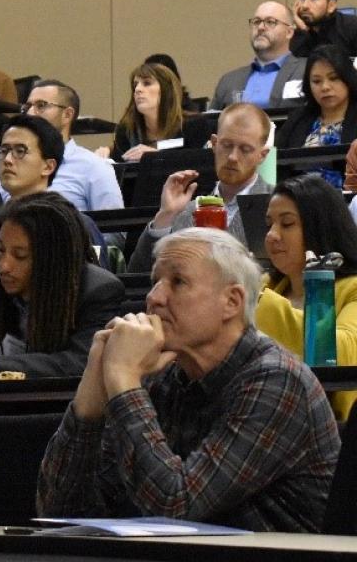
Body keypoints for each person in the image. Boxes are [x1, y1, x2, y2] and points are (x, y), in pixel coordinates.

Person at [37, 227, 340, 532]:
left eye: (178, 282)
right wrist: (91, 393)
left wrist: (124, 379)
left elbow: (176, 508)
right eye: (155, 281)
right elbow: (60, 512)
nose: (154, 297)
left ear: (232, 302)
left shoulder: (277, 380)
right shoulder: (162, 374)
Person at [0, 192, 124, 379]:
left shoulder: (98, 291)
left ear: (52, 258)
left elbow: (79, 362)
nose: (4, 266)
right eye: (1, 250)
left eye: (20, 255)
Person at [255, 174, 357, 418]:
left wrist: (256, 301)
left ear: (320, 228)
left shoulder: (352, 288)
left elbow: (340, 352)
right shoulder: (265, 286)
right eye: (269, 224)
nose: (271, 235)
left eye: (287, 224)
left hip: (329, 425)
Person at [0, 114, 109, 278]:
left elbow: (99, 291)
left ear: (48, 166)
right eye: (4, 150)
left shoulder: (78, 226)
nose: (8, 159)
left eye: (20, 151)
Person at [128, 103, 273, 272]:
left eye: (245, 149)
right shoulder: (183, 210)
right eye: (226, 145)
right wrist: (165, 216)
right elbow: (139, 274)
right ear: (213, 143)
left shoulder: (275, 206)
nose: (233, 157)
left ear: (262, 156)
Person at [21, 79, 123, 212]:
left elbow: (113, 230)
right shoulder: (14, 162)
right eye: (28, 107)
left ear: (67, 115)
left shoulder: (94, 167)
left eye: (41, 105)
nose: (30, 113)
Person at [275, 44, 357, 188]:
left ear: (347, 79)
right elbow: (276, 164)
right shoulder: (297, 118)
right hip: (299, 202)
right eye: (317, 81)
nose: (325, 87)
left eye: (333, 78)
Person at [98, 63, 211, 162]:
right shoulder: (127, 131)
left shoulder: (194, 125)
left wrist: (156, 157)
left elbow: (200, 161)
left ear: (166, 91)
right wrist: (104, 155)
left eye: (147, 83)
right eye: (135, 85)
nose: (138, 89)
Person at [210, 1, 306, 110]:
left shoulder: (306, 71)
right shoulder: (229, 81)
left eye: (270, 22)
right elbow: (211, 123)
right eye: (256, 22)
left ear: (289, 32)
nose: (260, 27)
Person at [290, 0, 357, 58]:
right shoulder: (294, 33)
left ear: (331, 6)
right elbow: (295, 67)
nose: (304, 6)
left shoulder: (352, 27)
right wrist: (303, 30)